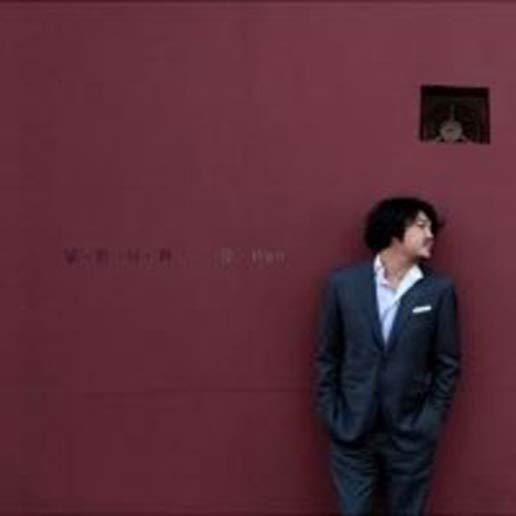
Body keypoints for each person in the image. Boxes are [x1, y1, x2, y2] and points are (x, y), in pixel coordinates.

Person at [315, 197, 461, 515]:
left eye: (431, 228)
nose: (430, 235)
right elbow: (328, 355)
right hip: (352, 431)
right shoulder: (343, 285)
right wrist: (333, 414)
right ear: (395, 232)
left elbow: (447, 362)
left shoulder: (438, 290)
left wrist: (430, 419)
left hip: (411, 434)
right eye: (421, 226)